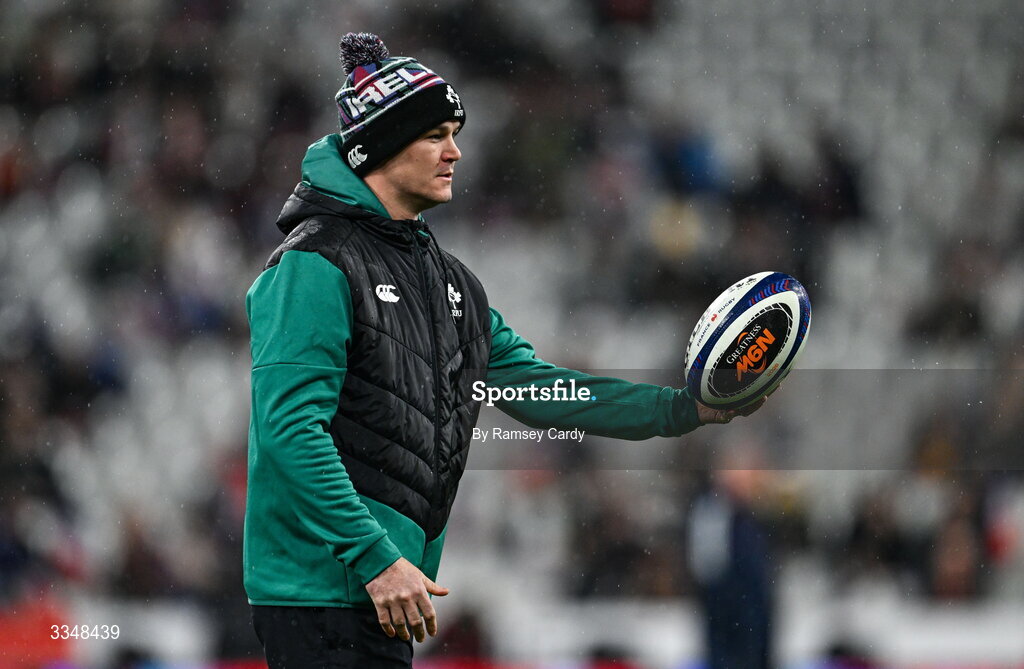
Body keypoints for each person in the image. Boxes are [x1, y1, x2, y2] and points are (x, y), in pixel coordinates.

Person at [244, 32, 767, 668]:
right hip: (321, 590)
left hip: (384, 589)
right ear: (377, 146)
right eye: (435, 134)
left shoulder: (452, 283)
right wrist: (375, 557)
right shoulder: (312, 265)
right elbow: (288, 429)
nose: (455, 151)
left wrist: (682, 409)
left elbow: (541, 391)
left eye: (454, 133)